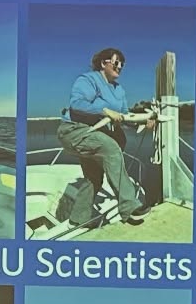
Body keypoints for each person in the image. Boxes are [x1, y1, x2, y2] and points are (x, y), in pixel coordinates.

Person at [57, 47, 156, 226]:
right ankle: (129, 207)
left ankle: (78, 219)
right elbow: (77, 103)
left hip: (96, 135)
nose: (120, 67)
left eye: (122, 65)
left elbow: (125, 116)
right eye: (117, 63)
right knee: (111, 149)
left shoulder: (119, 91)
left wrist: (143, 122)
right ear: (104, 63)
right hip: (75, 131)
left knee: (94, 177)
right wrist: (104, 111)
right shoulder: (88, 80)